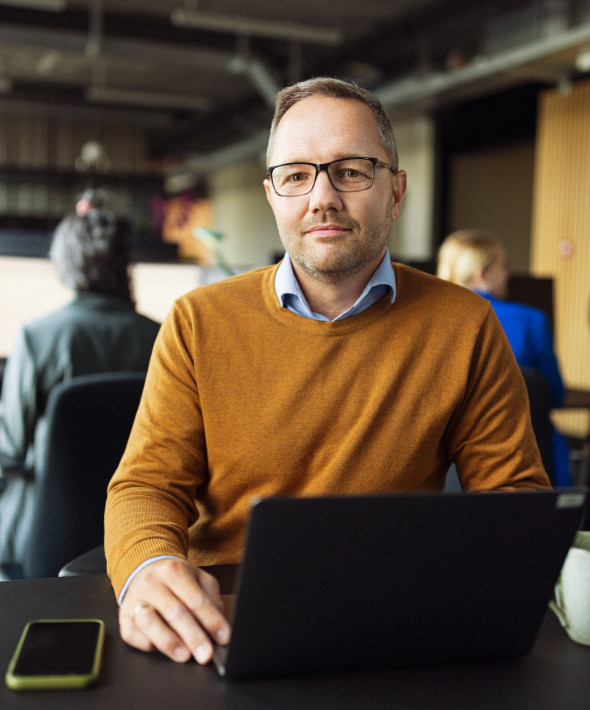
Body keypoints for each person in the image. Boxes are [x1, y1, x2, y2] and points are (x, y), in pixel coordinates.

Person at [104, 77, 550, 666]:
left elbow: (514, 502)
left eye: (351, 171)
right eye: (296, 175)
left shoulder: (466, 324)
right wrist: (149, 566)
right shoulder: (197, 321)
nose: (322, 198)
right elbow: (147, 486)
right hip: (220, 622)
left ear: (396, 189)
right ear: (273, 196)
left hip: (395, 624)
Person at [0, 208, 160, 570]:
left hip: (46, 532)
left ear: (65, 263)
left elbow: (10, 449)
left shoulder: (36, 337)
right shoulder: (163, 338)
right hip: (140, 531)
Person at [437, 228, 570, 485]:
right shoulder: (531, 320)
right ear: (481, 273)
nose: (508, 274)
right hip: (523, 467)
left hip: (445, 467)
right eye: (503, 266)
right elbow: (553, 394)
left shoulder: (429, 319)